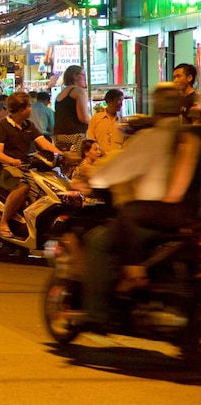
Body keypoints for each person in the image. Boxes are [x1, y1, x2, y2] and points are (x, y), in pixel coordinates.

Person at [85, 83, 201, 325]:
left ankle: (99, 313)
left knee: (98, 241)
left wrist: (92, 181)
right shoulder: (189, 136)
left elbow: (113, 173)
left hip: (154, 218)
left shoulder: (153, 137)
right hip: (189, 217)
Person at [0, 91, 62, 238]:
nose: (31, 109)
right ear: (21, 110)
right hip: (3, 168)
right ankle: (3, 223)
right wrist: (12, 160)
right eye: (29, 106)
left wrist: (63, 155)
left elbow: (44, 144)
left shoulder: (28, 125)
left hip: (25, 167)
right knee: (23, 187)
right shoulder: (2, 126)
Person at [52, 65, 90, 153]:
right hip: (76, 137)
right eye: (83, 75)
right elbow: (83, 118)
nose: (85, 78)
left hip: (59, 137)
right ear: (75, 76)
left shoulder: (60, 94)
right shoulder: (78, 91)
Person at [86, 89, 124, 156]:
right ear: (109, 101)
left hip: (118, 158)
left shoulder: (122, 121)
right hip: (100, 158)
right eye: (119, 100)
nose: (121, 104)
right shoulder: (96, 119)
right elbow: (90, 140)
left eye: (122, 101)